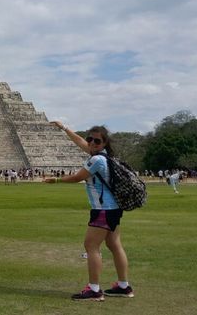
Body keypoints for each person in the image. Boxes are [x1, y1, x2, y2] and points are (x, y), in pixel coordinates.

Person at [46, 121, 134, 301]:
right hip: (114, 209)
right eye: (90, 139)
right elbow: (79, 141)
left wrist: (55, 180)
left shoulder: (96, 160)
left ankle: (94, 290)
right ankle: (124, 286)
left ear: (104, 143)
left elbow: (78, 177)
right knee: (115, 246)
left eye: (97, 141)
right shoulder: (105, 156)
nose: (92, 143)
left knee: (91, 246)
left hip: (102, 209)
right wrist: (64, 128)